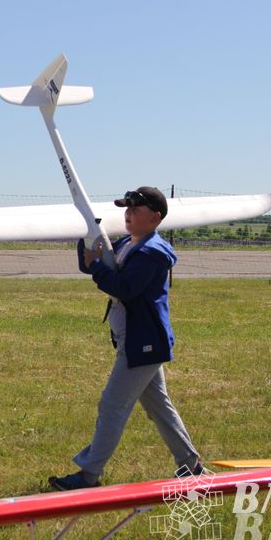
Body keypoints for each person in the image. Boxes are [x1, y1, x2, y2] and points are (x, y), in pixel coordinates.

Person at [49, 187, 202, 491]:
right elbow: (91, 264)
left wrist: (96, 266)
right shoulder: (127, 244)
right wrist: (87, 236)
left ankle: (88, 475)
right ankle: (191, 465)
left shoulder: (152, 253)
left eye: (135, 210)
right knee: (159, 407)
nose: (128, 214)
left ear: (155, 217)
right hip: (137, 340)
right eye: (127, 209)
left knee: (112, 405)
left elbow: (125, 287)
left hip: (143, 343)